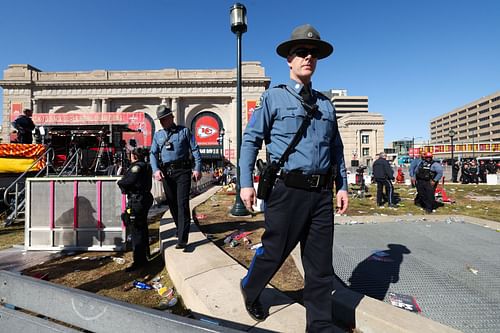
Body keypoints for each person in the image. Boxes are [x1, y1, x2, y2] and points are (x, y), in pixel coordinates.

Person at [238, 24, 349, 330]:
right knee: (274, 252)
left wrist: (343, 186)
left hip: (321, 196)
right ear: (289, 59)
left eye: (313, 53)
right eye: (301, 52)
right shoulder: (274, 98)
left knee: (319, 266)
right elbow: (251, 140)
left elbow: (336, 149)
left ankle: (319, 325)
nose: (308, 57)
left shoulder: (326, 105)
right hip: (287, 192)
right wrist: (245, 183)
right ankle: (250, 288)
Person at [149, 105, 202, 249]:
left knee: (182, 203)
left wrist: (197, 168)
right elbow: (152, 154)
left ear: (171, 118)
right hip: (167, 173)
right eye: (160, 120)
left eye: (164, 119)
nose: (162, 122)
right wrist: (155, 169)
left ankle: (183, 238)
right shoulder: (158, 135)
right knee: (172, 203)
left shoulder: (184, 131)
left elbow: (195, 150)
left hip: (183, 171)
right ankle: (180, 229)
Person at [117, 147, 154, 272]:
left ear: (135, 156)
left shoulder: (136, 167)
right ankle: (146, 254)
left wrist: (121, 183)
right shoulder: (147, 166)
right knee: (142, 227)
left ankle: (139, 260)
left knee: (136, 230)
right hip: (144, 198)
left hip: (137, 200)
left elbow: (127, 182)